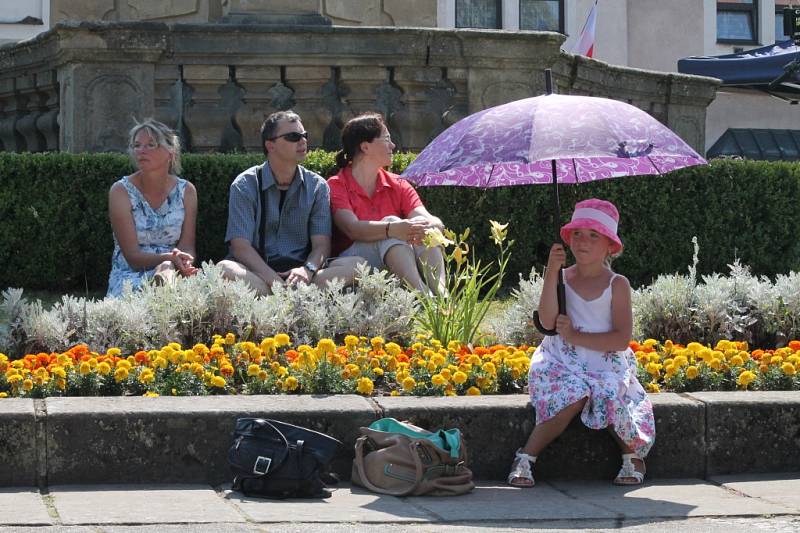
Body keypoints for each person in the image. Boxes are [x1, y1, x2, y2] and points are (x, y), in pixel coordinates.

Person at [507, 198, 655, 487]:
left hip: (605, 361)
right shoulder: (562, 278)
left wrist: (577, 336)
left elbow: (622, 339)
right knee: (572, 394)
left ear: (610, 246)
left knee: (611, 394)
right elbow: (548, 323)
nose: (583, 241)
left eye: (593, 236)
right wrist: (551, 272)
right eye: (577, 234)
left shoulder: (617, 285)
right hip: (562, 362)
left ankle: (632, 455)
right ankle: (526, 456)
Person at [219, 111, 363, 294]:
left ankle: (279, 300)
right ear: (270, 145)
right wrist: (274, 280)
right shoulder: (245, 185)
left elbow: (321, 244)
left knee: (358, 264)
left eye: (304, 136)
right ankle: (291, 299)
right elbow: (240, 247)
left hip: (301, 275)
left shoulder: (317, 186)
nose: (302, 141)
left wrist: (307, 270)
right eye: (293, 137)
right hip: (259, 273)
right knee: (225, 269)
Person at [328, 113, 445, 294]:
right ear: (365, 147)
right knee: (393, 227)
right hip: (353, 262)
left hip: (396, 257)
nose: (393, 145)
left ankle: (442, 294)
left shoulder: (398, 183)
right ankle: (425, 297)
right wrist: (392, 228)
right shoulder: (336, 184)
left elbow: (427, 218)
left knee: (423, 230)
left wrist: (431, 225)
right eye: (387, 139)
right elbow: (352, 229)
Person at [107, 119, 198, 298]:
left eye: (151, 145)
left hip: (175, 266)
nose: (141, 150)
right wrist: (169, 259)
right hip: (130, 275)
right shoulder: (121, 191)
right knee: (163, 278)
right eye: (137, 145)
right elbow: (132, 258)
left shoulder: (186, 191)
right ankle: (162, 289)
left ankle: (165, 285)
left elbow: (187, 246)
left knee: (188, 285)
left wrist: (184, 261)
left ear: (170, 152)